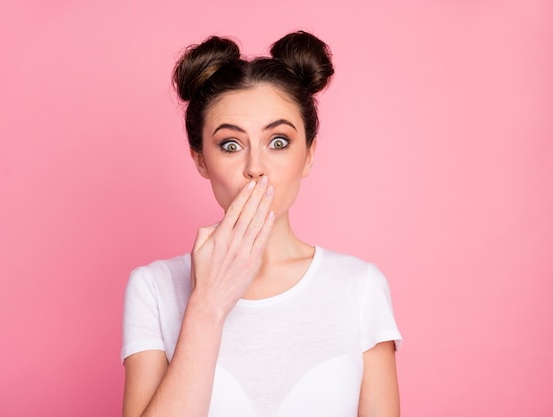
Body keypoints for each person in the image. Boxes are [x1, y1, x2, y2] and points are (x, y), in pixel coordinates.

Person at [121, 31, 402, 417]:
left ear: (309, 155)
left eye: (279, 141)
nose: (256, 167)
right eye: (231, 145)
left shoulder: (360, 286)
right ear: (200, 159)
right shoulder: (153, 288)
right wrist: (208, 305)